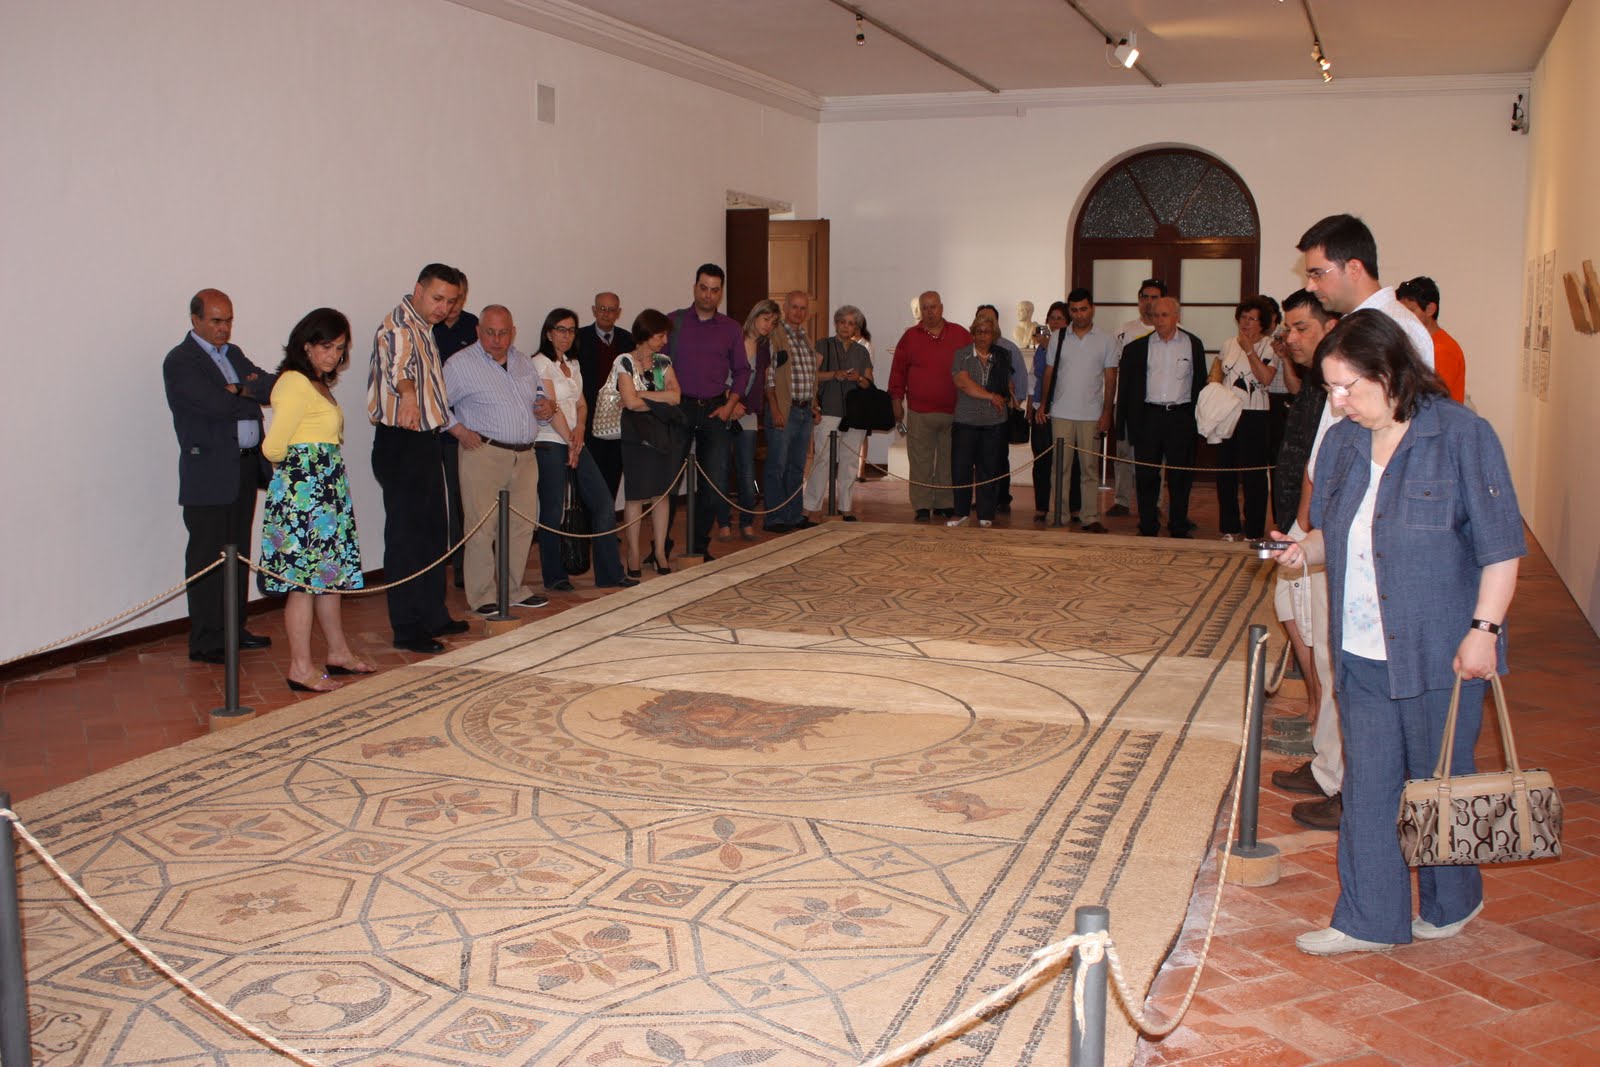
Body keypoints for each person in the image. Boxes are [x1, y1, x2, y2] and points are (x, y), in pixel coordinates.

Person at [1269, 310, 1524, 956]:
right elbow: (1335, 532)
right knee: (1370, 784)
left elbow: (1501, 549)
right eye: (1329, 388)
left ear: (1389, 372)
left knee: (1437, 778)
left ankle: (1452, 899)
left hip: (1440, 647)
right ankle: (1368, 917)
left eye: (1347, 387)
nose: (1338, 402)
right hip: (1361, 650)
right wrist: (1304, 551)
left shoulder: (1461, 435)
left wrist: (1484, 631)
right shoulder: (1345, 442)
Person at [257, 308, 372, 692]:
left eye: (339, 348)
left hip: (326, 493)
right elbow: (273, 447)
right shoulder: (293, 382)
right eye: (326, 346)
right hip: (304, 496)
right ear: (306, 345)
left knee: (327, 578)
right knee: (302, 584)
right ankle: (300, 668)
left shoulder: (317, 384)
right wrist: (307, 468)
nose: (333, 355)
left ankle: (338, 653)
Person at [163, 288, 277, 663]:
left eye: (228, 320)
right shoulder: (181, 361)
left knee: (238, 551)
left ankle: (234, 629)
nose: (223, 328)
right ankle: (208, 640)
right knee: (207, 557)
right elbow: (215, 405)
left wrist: (240, 388)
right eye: (215, 321)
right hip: (209, 471)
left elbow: (270, 387)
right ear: (195, 320)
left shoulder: (234, 354)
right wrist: (245, 395)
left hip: (244, 466)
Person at [1268, 291, 1345, 830]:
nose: (1290, 338)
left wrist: (1303, 527)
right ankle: (1325, 761)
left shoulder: (1340, 385)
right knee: (1302, 626)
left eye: (1301, 328)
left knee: (1324, 647)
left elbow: (1323, 468)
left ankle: (1336, 771)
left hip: (1315, 529)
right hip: (1304, 526)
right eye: (1288, 329)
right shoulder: (1318, 382)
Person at [367, 263, 467, 654]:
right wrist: (408, 395)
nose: (444, 307)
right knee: (407, 539)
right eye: (438, 298)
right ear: (419, 290)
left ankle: (433, 614)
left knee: (432, 533)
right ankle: (407, 627)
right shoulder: (399, 327)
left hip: (425, 440)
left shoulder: (424, 327)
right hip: (401, 442)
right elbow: (399, 370)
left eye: (451, 301)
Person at [441, 305, 550, 617]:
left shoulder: (524, 362)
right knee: (481, 526)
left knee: (521, 526)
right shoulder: (460, 364)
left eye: (503, 333)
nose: (497, 339)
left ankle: (512, 590)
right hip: (484, 454)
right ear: (478, 331)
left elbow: (538, 399)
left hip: (525, 456)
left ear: (513, 332)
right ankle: (482, 595)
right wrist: (459, 430)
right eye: (490, 332)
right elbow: (436, 404)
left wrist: (546, 408)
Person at [529, 308, 635, 592]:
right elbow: (550, 407)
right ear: (549, 333)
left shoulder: (572, 363)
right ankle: (555, 576)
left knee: (603, 503)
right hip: (550, 441)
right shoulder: (540, 363)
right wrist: (570, 441)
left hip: (575, 441)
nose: (566, 335)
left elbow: (581, 404)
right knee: (553, 510)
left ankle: (610, 574)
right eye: (561, 330)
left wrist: (579, 433)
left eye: (571, 330)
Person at [664, 264, 749, 560]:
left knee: (712, 483)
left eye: (714, 290)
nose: (708, 295)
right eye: (703, 288)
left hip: (715, 410)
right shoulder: (673, 322)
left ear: (720, 293)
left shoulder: (731, 328)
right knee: (668, 483)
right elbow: (656, 364)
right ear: (694, 287)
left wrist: (729, 406)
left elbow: (742, 371)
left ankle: (699, 547)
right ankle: (660, 548)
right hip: (679, 409)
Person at [1116, 297, 1207, 538]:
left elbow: (1200, 383)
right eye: (1155, 315)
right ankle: (1147, 525)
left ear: (1177, 316)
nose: (1159, 320)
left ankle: (1178, 524)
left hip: (1181, 417)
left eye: (1164, 315)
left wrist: (1200, 421)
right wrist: (1122, 425)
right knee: (1146, 476)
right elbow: (1125, 390)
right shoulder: (1136, 348)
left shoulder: (1193, 344)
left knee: (1180, 476)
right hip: (1148, 418)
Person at [1297, 214, 1433, 369]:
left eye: (1317, 274)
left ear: (1354, 268)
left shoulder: (1398, 327)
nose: (1310, 287)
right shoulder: (1352, 323)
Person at [1039, 288, 1118, 533]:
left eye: (1083, 309)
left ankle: (1089, 516)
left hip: (1091, 414)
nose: (1079, 314)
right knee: (1059, 468)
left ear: (1092, 309)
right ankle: (1058, 514)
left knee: (1089, 469)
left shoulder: (1107, 339)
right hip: (1061, 413)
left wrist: (1107, 412)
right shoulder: (1058, 337)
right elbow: (1049, 373)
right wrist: (1043, 405)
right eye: (1074, 310)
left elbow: (1110, 378)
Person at [889, 291, 971, 522]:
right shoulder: (910, 337)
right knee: (920, 462)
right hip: (919, 412)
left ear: (941, 308)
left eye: (933, 307)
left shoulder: (960, 334)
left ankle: (945, 503)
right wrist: (896, 401)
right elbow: (898, 372)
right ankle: (922, 505)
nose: (929, 312)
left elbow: (973, 367)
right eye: (924, 308)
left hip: (955, 412)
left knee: (948, 461)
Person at [616, 308, 683, 576]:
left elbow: (676, 397)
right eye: (660, 335)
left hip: (661, 434)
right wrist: (658, 397)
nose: (665, 341)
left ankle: (659, 553)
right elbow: (629, 403)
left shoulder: (663, 361)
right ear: (645, 334)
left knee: (661, 494)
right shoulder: (624, 361)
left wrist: (643, 395)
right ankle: (633, 554)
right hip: (635, 436)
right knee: (635, 496)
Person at [1210, 296, 1278, 542]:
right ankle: (1229, 527)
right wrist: (1212, 388)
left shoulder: (1270, 346)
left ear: (1263, 323)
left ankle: (1254, 530)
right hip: (1227, 413)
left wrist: (1249, 350)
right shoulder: (1228, 343)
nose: (1246, 322)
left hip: (1255, 415)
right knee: (1225, 472)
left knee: (1253, 476)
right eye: (1243, 317)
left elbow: (1265, 379)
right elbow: (1218, 371)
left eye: (1252, 318)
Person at [804, 305, 874, 521]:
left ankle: (846, 507)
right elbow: (812, 375)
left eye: (851, 323)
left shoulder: (862, 351)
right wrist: (834, 374)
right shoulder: (823, 345)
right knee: (822, 460)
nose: (846, 326)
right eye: (843, 322)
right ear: (836, 323)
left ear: (856, 327)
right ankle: (810, 507)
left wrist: (858, 378)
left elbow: (869, 383)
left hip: (854, 414)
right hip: (829, 410)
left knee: (850, 462)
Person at [433, 272, 477, 590]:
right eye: (449, 298)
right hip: (428, 428)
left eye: (459, 297)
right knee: (434, 501)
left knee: (463, 500)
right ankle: (435, 565)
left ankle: (465, 567)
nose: (454, 304)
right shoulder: (427, 327)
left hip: (462, 429)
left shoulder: (473, 326)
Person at [947, 318, 1012, 528]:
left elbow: (1008, 385)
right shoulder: (962, 355)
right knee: (961, 469)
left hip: (995, 422)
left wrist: (1007, 394)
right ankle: (960, 512)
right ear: (973, 333)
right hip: (966, 421)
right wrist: (991, 396)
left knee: (989, 468)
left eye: (987, 332)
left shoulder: (1002, 356)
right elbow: (963, 383)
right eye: (979, 331)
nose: (983, 335)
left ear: (994, 335)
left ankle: (986, 513)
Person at [763, 290, 818, 534]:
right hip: (785, 410)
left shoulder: (805, 337)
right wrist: (775, 409)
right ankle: (774, 517)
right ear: (785, 308)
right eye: (794, 307)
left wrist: (815, 406)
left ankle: (794, 515)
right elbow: (769, 377)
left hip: (805, 412)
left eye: (803, 308)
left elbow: (811, 376)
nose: (798, 312)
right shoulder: (775, 335)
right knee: (777, 465)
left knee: (797, 467)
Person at [1109, 279, 1165, 519]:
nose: (1149, 302)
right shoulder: (1124, 330)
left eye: (1154, 297)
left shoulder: (1173, 330)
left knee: (1156, 456)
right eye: (1145, 297)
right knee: (1123, 451)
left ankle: (1155, 502)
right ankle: (1121, 500)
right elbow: (1113, 368)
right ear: (1139, 300)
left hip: (1157, 403)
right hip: (1127, 401)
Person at [576, 291, 635, 501]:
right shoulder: (578, 338)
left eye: (611, 310)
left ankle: (607, 521)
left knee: (612, 475)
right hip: (588, 420)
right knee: (587, 480)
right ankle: (586, 523)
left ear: (618, 312)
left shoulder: (628, 340)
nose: (606, 313)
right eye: (601, 308)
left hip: (619, 422)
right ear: (594, 310)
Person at [731, 299, 779, 540]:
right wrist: (730, 402)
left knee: (747, 470)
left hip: (748, 413)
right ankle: (723, 522)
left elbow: (764, 381)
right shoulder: (733, 338)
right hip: (723, 408)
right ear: (755, 315)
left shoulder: (765, 347)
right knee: (719, 469)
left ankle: (746, 521)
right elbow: (717, 374)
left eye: (773, 322)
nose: (768, 325)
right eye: (766, 319)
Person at [1396, 277, 1467, 402]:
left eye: (1410, 310)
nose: (1403, 317)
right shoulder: (1415, 344)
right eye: (1401, 311)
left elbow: (1433, 401)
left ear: (1430, 309)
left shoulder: (1442, 349)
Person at [1028, 302, 1068, 523]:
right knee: (1041, 460)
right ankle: (1041, 506)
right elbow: (1035, 376)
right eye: (1051, 318)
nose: (1055, 322)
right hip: (1040, 409)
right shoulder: (1042, 347)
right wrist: (1030, 406)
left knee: (1066, 461)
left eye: (1059, 318)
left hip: (1063, 409)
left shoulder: (1071, 344)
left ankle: (1069, 507)